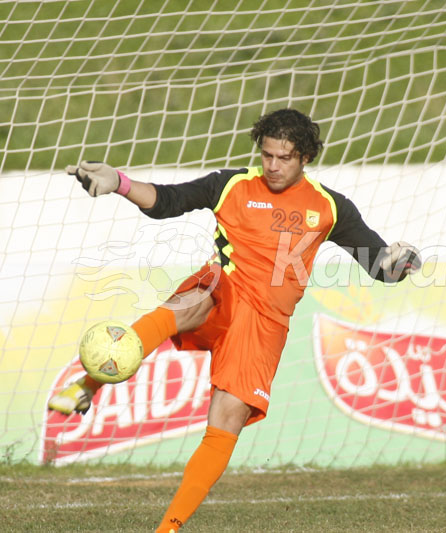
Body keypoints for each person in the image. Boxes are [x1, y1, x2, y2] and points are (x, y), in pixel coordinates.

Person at [47, 109, 421, 532]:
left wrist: (398, 264)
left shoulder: (330, 207)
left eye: (284, 158)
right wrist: (121, 184)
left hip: (265, 324)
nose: (273, 166)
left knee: (226, 420)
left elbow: (379, 266)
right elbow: (168, 201)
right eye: (267, 156)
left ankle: (167, 529)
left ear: (306, 158)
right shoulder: (232, 186)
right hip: (223, 290)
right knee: (194, 297)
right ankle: (89, 381)